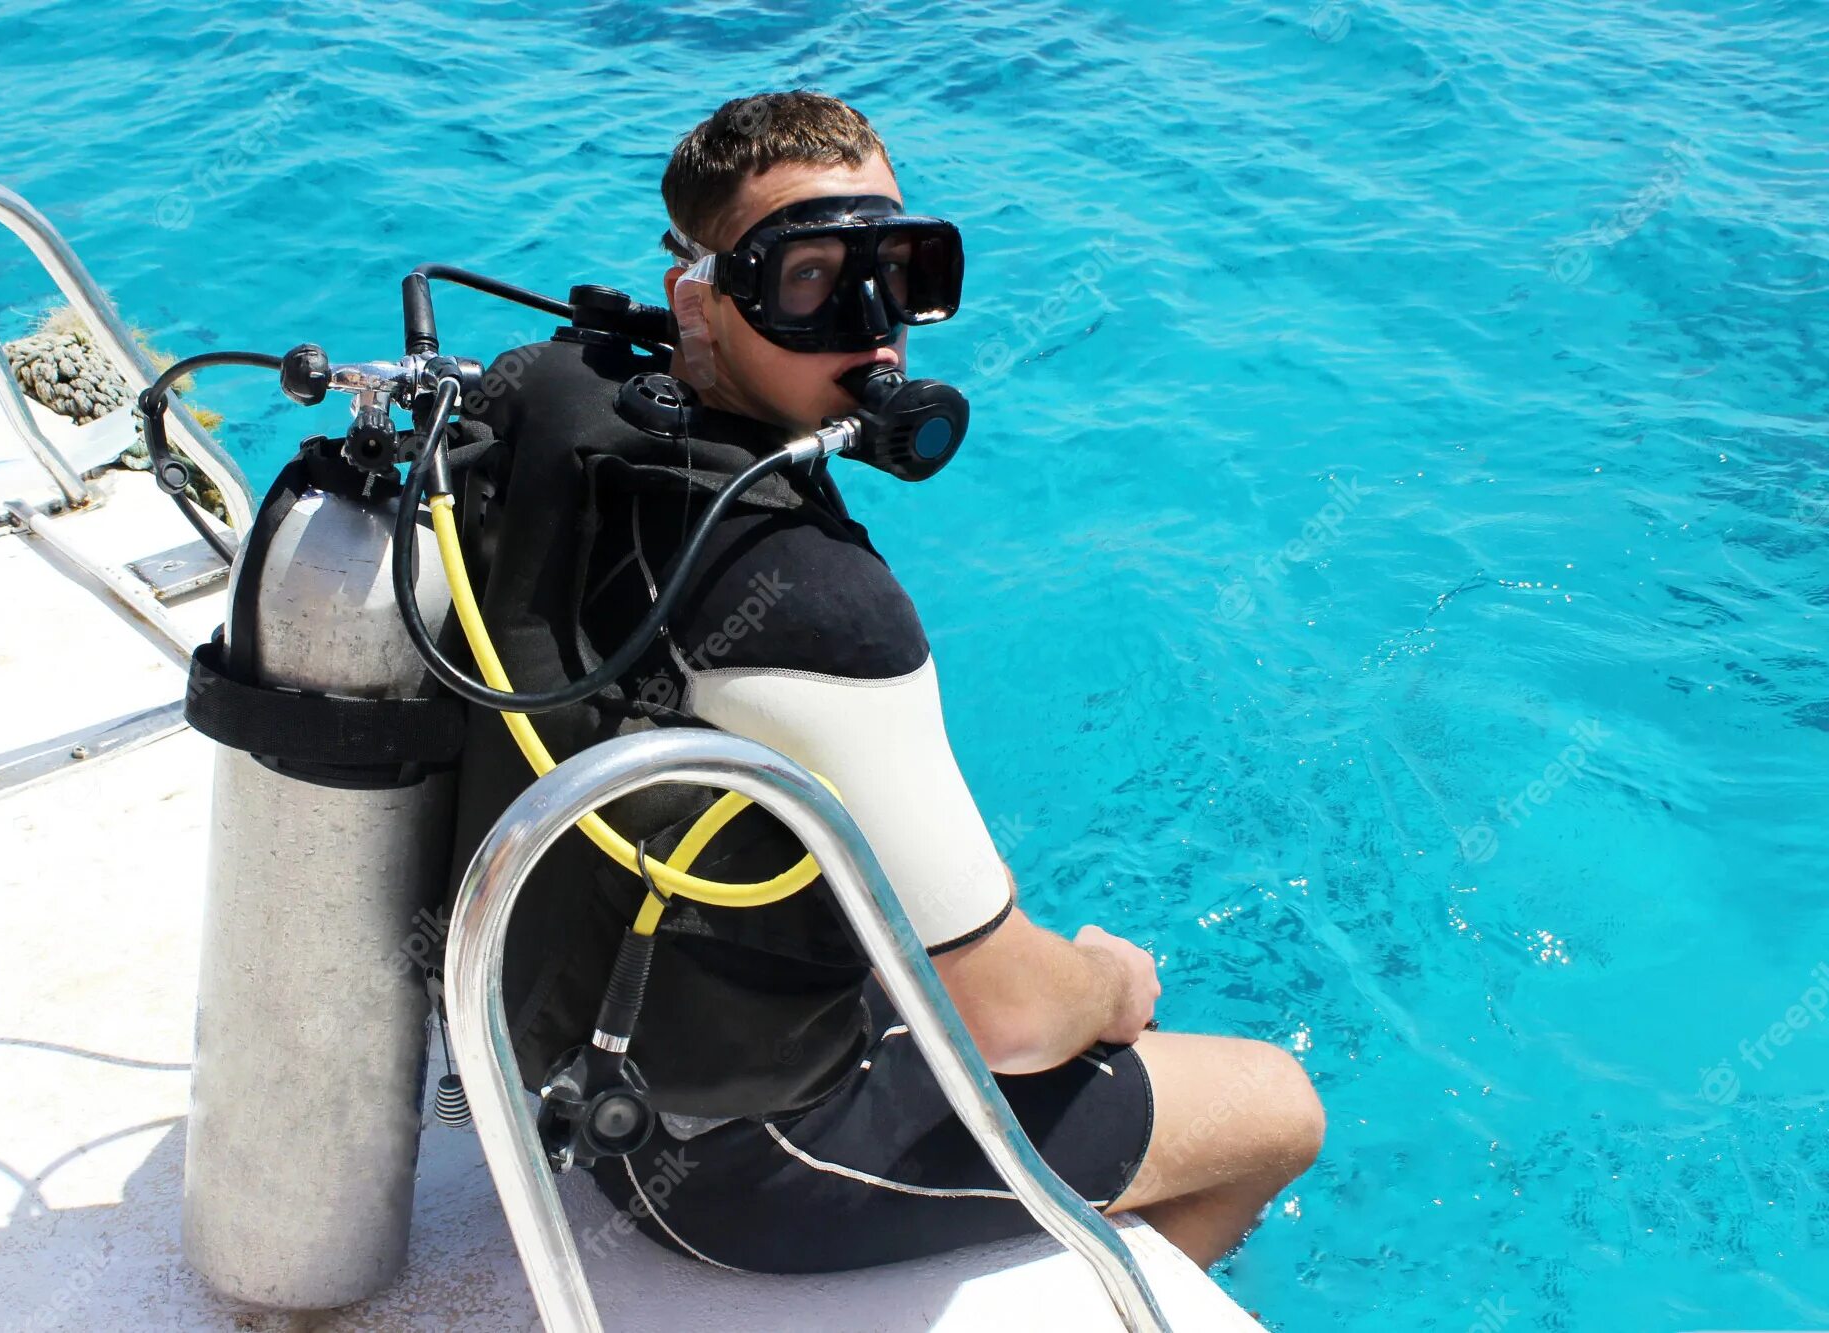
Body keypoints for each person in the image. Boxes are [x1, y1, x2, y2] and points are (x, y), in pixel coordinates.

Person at [452, 90, 1323, 1277]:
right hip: (732, 1165)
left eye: (897, 268)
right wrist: (1110, 984)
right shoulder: (815, 606)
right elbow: (1007, 1017)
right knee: (1271, 1105)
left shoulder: (546, 395)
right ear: (697, 301)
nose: (874, 330)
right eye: (806, 279)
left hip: (567, 1048)